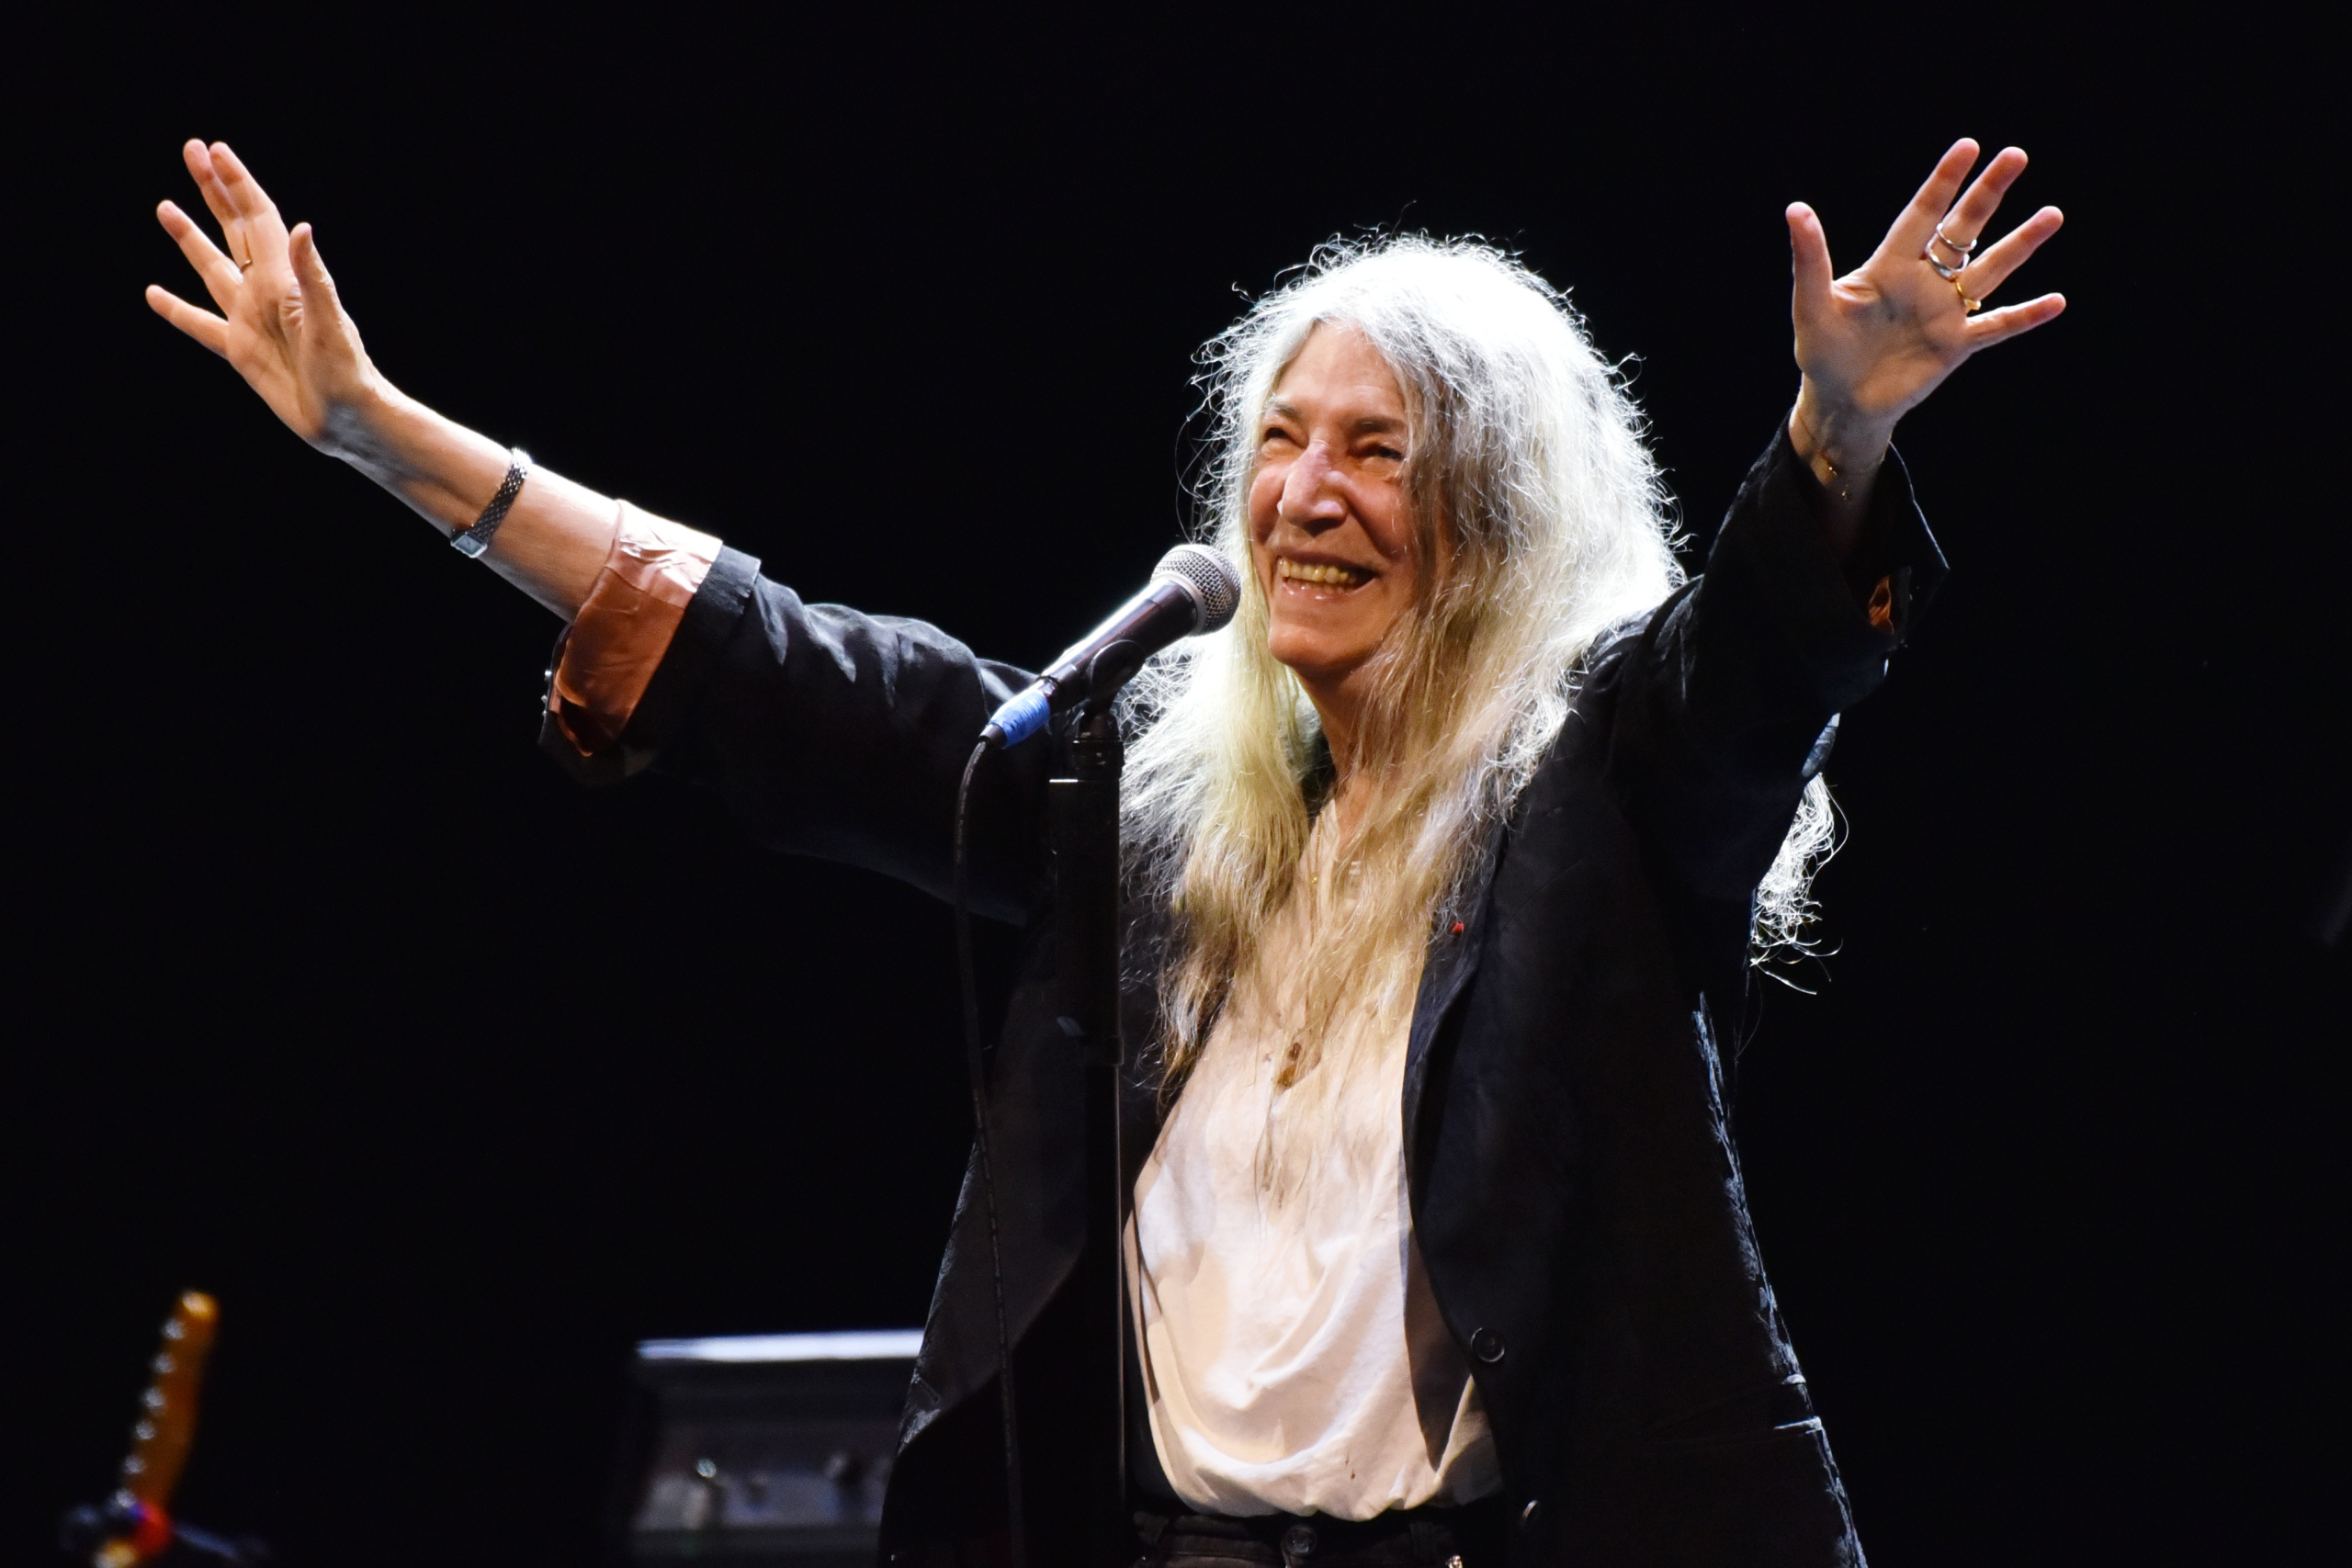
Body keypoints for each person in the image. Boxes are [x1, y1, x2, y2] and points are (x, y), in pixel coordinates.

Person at [148, 136, 2063, 1567]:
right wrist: (384, 438)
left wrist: (1835, 428)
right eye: (1282, 440)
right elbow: (783, 663)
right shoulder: (1149, 818)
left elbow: (1749, 669)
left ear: (1494, 512)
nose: (1304, 494)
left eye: (1378, 451)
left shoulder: (1599, 805)